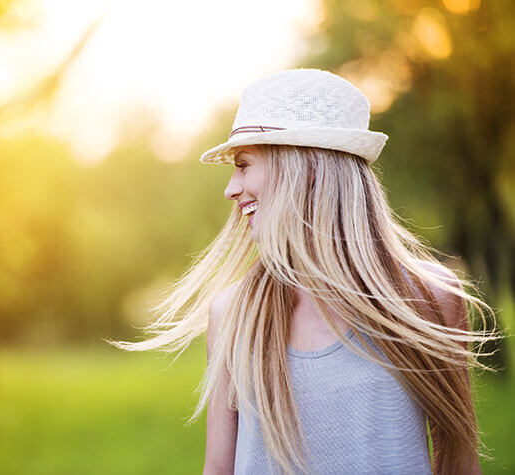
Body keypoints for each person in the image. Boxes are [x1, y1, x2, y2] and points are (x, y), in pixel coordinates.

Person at [111, 69, 496, 474]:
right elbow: (218, 469)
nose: (231, 188)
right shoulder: (233, 314)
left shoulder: (429, 298)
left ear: (307, 169)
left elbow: (461, 464)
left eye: (244, 165)